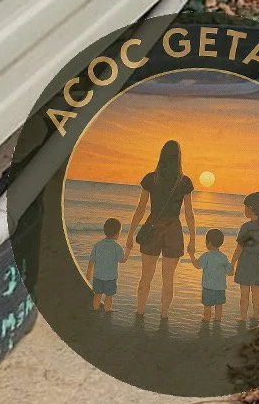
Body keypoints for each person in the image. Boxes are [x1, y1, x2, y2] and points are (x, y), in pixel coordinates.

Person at [124, 140, 197, 326]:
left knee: (145, 278)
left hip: (153, 228)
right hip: (173, 230)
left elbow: (140, 209)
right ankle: (164, 317)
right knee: (168, 281)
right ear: (179, 157)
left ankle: (139, 314)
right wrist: (193, 240)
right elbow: (189, 213)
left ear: (161, 155)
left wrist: (130, 234)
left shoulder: (151, 178)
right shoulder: (184, 181)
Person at [232, 191, 259, 329]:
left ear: (251, 208)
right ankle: (255, 315)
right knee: (256, 292)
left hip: (245, 262)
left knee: (244, 293)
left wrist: (232, 263)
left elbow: (239, 248)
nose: (244, 210)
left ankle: (243, 317)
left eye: (245, 207)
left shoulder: (246, 227)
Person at [194, 229, 232, 329]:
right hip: (220, 288)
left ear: (209, 243)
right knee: (219, 308)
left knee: (207, 308)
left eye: (206, 241)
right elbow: (230, 272)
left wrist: (191, 255)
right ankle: (217, 326)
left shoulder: (206, 256)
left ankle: (205, 327)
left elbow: (198, 265)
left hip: (208, 288)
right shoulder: (223, 257)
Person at [87, 218, 123, 312]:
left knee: (97, 294)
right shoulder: (117, 247)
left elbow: (91, 261)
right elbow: (122, 259)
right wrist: (128, 251)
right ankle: (107, 309)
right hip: (111, 277)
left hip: (98, 276)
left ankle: (95, 308)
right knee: (109, 295)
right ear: (117, 234)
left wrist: (88, 275)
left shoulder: (98, 245)